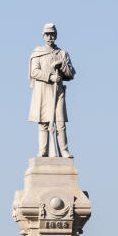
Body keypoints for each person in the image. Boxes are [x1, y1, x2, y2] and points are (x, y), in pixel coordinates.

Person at [28, 24, 75, 157]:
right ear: (43, 36)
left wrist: (63, 66)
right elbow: (34, 72)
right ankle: (43, 150)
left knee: (60, 122)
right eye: (47, 34)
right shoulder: (38, 53)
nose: (50, 37)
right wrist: (50, 77)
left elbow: (71, 74)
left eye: (52, 34)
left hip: (57, 91)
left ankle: (63, 150)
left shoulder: (62, 54)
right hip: (43, 91)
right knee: (43, 122)